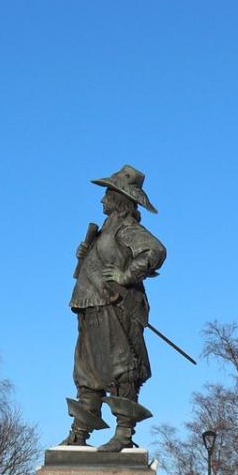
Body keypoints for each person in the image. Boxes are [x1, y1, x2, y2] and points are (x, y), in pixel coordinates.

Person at [63, 165, 165, 451]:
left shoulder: (126, 227)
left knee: (122, 368)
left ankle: (124, 433)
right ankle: (80, 432)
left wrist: (126, 275)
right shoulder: (105, 229)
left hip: (114, 306)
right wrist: (87, 254)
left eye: (107, 193)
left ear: (119, 198)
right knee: (87, 369)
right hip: (90, 305)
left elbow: (155, 251)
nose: (101, 200)